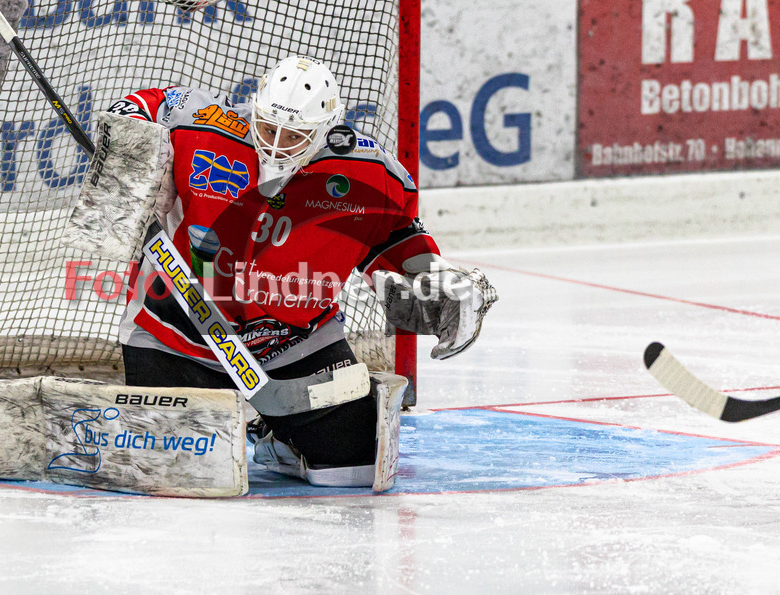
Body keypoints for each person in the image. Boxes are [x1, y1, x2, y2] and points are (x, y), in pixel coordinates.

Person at [107, 56, 494, 487]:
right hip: (176, 332)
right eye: (268, 127)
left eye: (294, 136)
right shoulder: (203, 129)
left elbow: (394, 238)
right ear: (254, 108)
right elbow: (147, 104)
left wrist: (434, 279)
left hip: (292, 341)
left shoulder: (365, 173)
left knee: (356, 468)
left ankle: (277, 439)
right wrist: (131, 138)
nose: (276, 145)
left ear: (326, 129)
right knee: (174, 474)